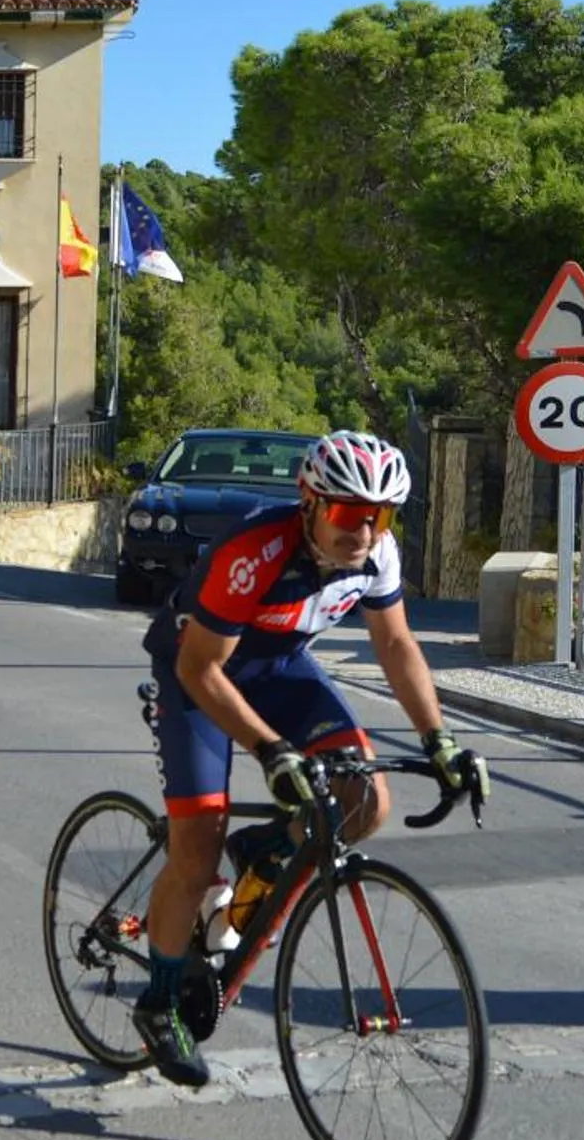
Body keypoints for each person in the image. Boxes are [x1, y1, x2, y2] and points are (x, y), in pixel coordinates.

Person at [130, 429, 485, 1087]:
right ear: (311, 504)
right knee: (195, 851)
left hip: (281, 667)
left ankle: (263, 848)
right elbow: (201, 667)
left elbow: (397, 643)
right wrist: (268, 750)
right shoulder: (254, 551)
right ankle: (158, 1003)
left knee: (364, 801)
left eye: (379, 517)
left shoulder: (377, 556)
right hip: (196, 674)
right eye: (350, 515)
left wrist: (439, 741)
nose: (364, 532)